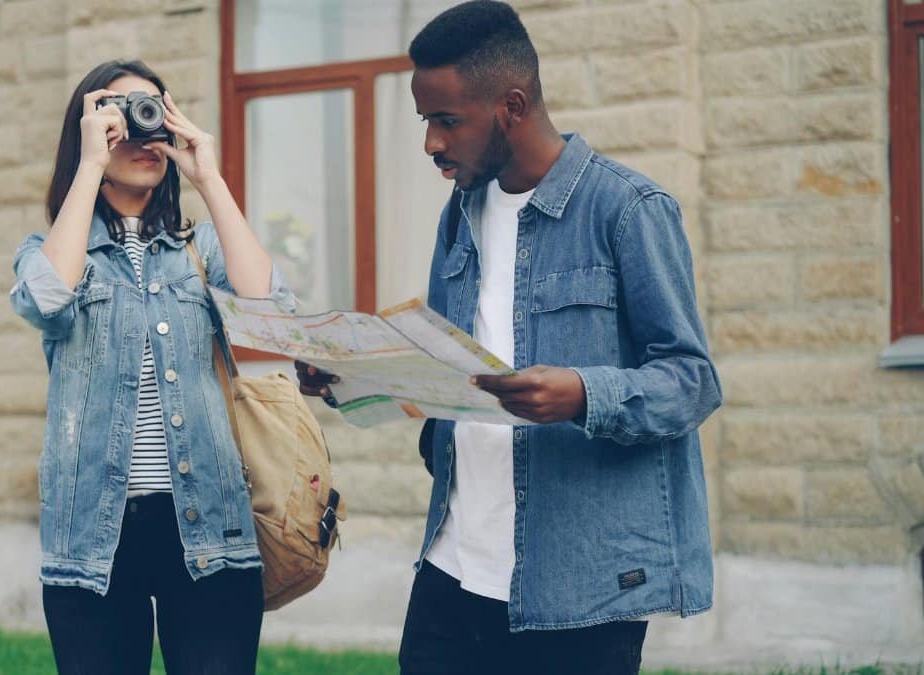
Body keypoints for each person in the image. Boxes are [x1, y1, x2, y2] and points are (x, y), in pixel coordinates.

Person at [296, 2, 722, 673]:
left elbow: (692, 381)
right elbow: (448, 369)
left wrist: (582, 394)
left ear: (512, 105)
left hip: (577, 589)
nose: (431, 142)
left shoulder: (629, 211)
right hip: (451, 569)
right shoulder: (458, 218)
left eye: (446, 120)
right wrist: (355, 380)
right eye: (425, 121)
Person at [10, 59, 293, 675]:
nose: (144, 132)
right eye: (121, 111)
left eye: (156, 112)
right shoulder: (51, 250)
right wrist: (89, 165)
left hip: (208, 529)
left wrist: (209, 178)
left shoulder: (202, 247)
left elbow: (269, 314)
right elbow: (46, 299)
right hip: (93, 541)